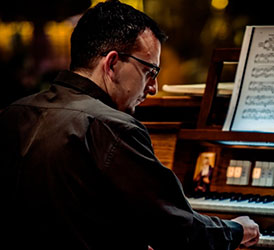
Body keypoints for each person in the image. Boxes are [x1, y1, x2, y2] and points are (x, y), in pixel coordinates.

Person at [0, 1, 260, 250]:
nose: (154, 88)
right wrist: (236, 230)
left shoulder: (12, 113)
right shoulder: (113, 126)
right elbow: (180, 232)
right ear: (112, 64)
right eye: (150, 72)